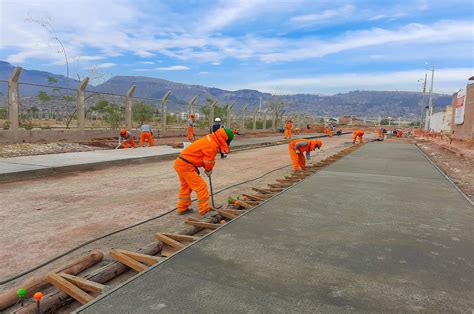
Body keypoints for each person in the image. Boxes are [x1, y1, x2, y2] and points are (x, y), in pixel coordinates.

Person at [174, 128, 234, 216]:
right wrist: (208, 169)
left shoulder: (210, 138)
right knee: (201, 187)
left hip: (181, 163)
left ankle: (182, 208)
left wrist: (207, 168)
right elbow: (208, 161)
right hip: (186, 165)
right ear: (225, 139)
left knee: (186, 187)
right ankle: (204, 210)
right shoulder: (212, 144)